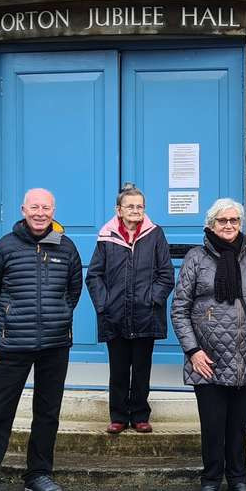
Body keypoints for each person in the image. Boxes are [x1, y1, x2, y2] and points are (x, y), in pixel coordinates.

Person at [0, 188, 83, 491]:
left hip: (55, 346)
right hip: (14, 345)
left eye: (46, 207)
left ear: (53, 210)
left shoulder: (66, 247)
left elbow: (73, 291)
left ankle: (38, 475)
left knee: (47, 414)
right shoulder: (6, 246)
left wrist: (59, 316)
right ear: (23, 209)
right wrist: (6, 320)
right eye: (35, 207)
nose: (40, 212)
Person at [171, 198, 246, 491]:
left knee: (238, 426)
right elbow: (179, 310)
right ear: (211, 225)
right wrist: (193, 351)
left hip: (244, 359)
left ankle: (238, 479)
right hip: (207, 359)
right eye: (222, 221)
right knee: (213, 425)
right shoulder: (195, 258)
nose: (229, 225)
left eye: (234, 220)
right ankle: (210, 481)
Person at [85, 183, 174, 434]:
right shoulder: (107, 236)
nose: (135, 210)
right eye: (130, 206)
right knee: (119, 369)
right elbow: (94, 276)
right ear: (119, 209)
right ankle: (118, 416)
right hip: (115, 316)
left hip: (147, 315)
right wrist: (104, 305)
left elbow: (166, 274)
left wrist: (152, 300)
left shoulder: (155, 234)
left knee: (142, 368)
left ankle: (140, 415)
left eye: (140, 206)